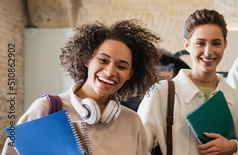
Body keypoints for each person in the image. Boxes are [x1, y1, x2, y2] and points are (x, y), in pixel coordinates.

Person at [2, 19, 161, 154]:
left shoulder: (132, 122)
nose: (110, 71)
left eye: (122, 66)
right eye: (103, 60)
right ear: (87, 59)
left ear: (130, 74)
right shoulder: (47, 109)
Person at [137, 9, 238, 155]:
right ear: (187, 45)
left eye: (216, 43)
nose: (208, 51)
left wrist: (234, 148)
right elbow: (139, 148)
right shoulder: (161, 93)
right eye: (200, 43)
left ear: (225, 45)